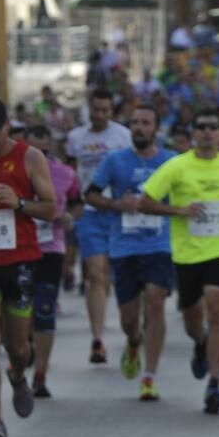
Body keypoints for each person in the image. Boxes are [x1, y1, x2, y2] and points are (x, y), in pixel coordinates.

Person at [140, 107, 219, 414]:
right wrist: (179, 211)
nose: (207, 132)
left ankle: (214, 384)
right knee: (193, 322)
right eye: (201, 127)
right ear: (192, 134)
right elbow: (145, 202)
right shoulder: (176, 167)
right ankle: (200, 343)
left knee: (217, 309)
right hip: (187, 254)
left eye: (212, 127)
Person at [0, 99, 57, 437]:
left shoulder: (29, 157)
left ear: (8, 126)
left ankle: (18, 373)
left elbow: (51, 208)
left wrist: (19, 203)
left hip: (20, 260)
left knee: (18, 346)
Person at [85, 104, 176, 400]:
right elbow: (91, 194)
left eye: (146, 122)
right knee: (129, 319)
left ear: (156, 128)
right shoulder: (115, 161)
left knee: (156, 301)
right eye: (135, 122)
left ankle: (149, 375)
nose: (139, 127)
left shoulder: (171, 161)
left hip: (158, 245)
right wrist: (115, 204)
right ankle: (134, 341)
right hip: (124, 246)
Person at [66, 87, 133, 365]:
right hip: (90, 212)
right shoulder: (75, 138)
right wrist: (72, 205)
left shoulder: (123, 136)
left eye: (105, 110)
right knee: (95, 273)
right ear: (88, 109)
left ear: (112, 111)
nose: (100, 115)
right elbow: (70, 175)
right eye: (96, 110)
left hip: (118, 212)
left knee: (112, 275)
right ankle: (97, 339)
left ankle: (128, 324)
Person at [23, 125, 81, 398]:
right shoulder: (14, 170)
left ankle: (40, 374)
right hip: (18, 250)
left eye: (45, 151)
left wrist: (70, 216)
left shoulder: (65, 174)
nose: (41, 158)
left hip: (51, 249)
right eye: (36, 151)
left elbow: (76, 204)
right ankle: (25, 346)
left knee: (45, 309)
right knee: (20, 313)